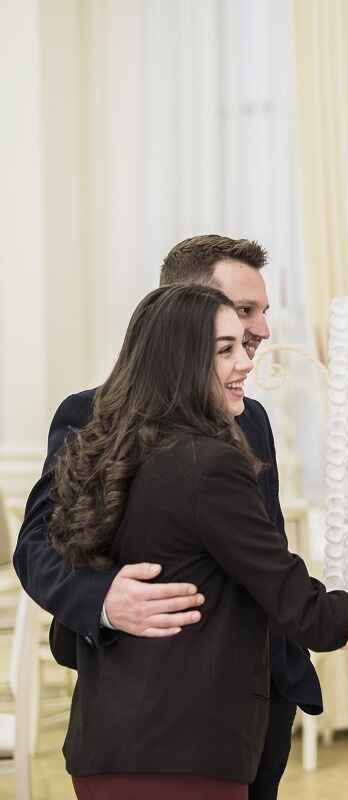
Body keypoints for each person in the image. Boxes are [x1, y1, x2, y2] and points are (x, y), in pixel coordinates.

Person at [46, 282, 348, 799]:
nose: (246, 361)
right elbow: (310, 614)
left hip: (104, 749)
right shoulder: (206, 465)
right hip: (182, 756)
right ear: (178, 363)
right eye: (224, 350)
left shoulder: (109, 450)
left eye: (242, 345)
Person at [15, 237, 302, 799]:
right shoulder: (88, 414)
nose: (262, 329)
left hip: (258, 693)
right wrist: (102, 598)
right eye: (245, 311)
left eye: (263, 311)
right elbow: (37, 546)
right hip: (155, 708)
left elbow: (264, 551)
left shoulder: (253, 417)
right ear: (186, 312)